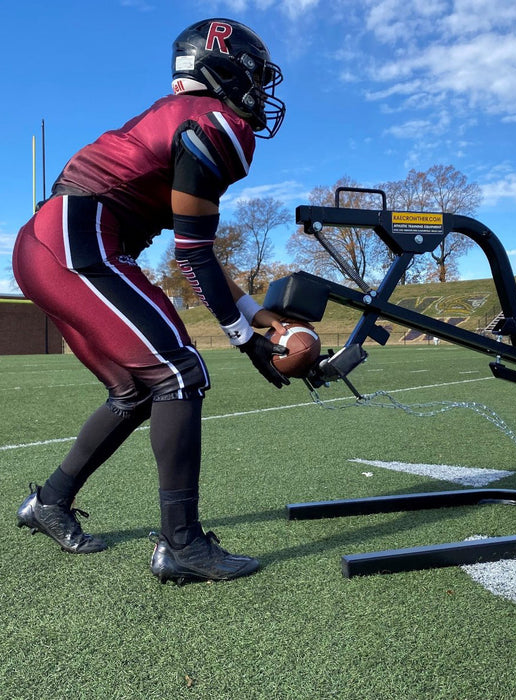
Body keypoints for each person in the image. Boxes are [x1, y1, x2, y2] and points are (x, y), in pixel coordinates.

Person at [13, 18, 290, 584]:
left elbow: (198, 252)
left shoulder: (181, 118)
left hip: (53, 242)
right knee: (181, 374)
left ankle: (49, 501)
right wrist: (247, 344)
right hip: (76, 240)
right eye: (254, 76)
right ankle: (182, 544)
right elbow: (193, 254)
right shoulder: (217, 122)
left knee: (135, 389)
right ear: (223, 65)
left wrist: (259, 317)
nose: (259, 92)